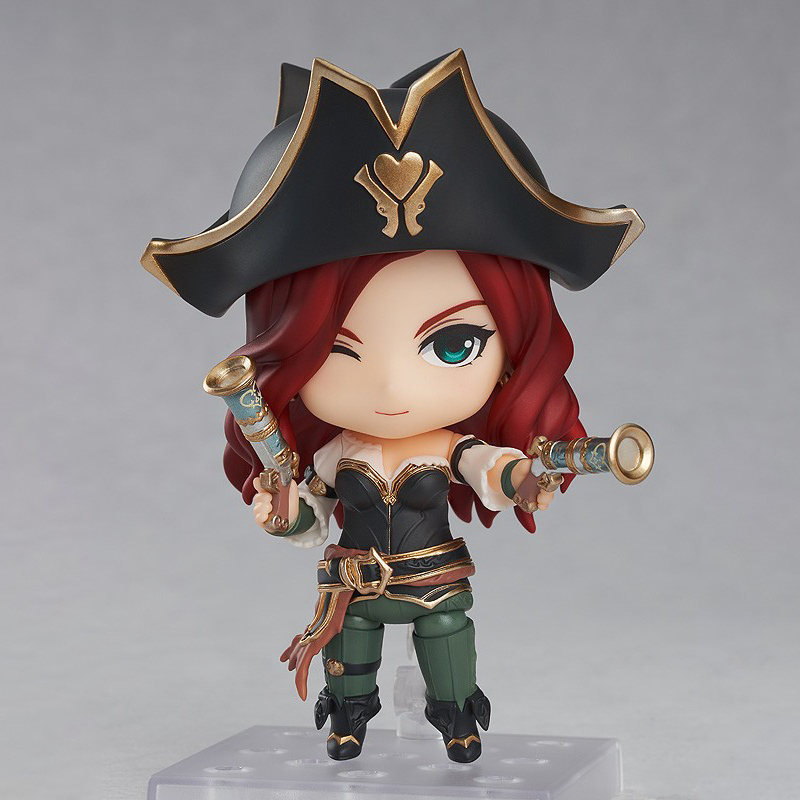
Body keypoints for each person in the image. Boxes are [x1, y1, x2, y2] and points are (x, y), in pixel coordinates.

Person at [141, 50, 643, 762]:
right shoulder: (335, 452)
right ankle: (349, 717)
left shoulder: (448, 447)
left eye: (453, 344)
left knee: (447, 639)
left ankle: (456, 715)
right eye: (332, 350)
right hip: (351, 584)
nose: (390, 388)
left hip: (435, 580)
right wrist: (284, 515)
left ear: (513, 348)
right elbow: (310, 511)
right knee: (350, 647)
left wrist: (526, 478)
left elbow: (493, 469)